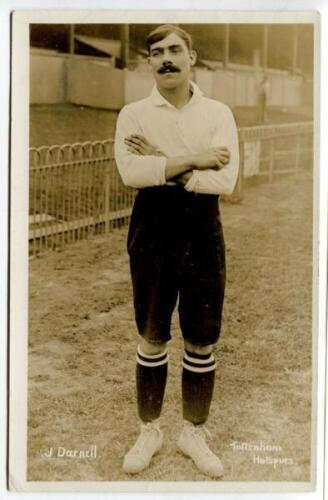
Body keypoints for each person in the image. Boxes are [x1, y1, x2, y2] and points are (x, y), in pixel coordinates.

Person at [114, 24, 239, 478]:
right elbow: (132, 172)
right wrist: (196, 159)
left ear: (192, 56)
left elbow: (224, 181)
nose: (165, 59)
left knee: (202, 336)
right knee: (152, 333)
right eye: (156, 52)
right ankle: (150, 430)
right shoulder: (133, 113)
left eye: (174, 50)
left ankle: (193, 432)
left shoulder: (218, 113)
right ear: (148, 62)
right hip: (152, 229)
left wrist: (164, 161)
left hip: (203, 230)